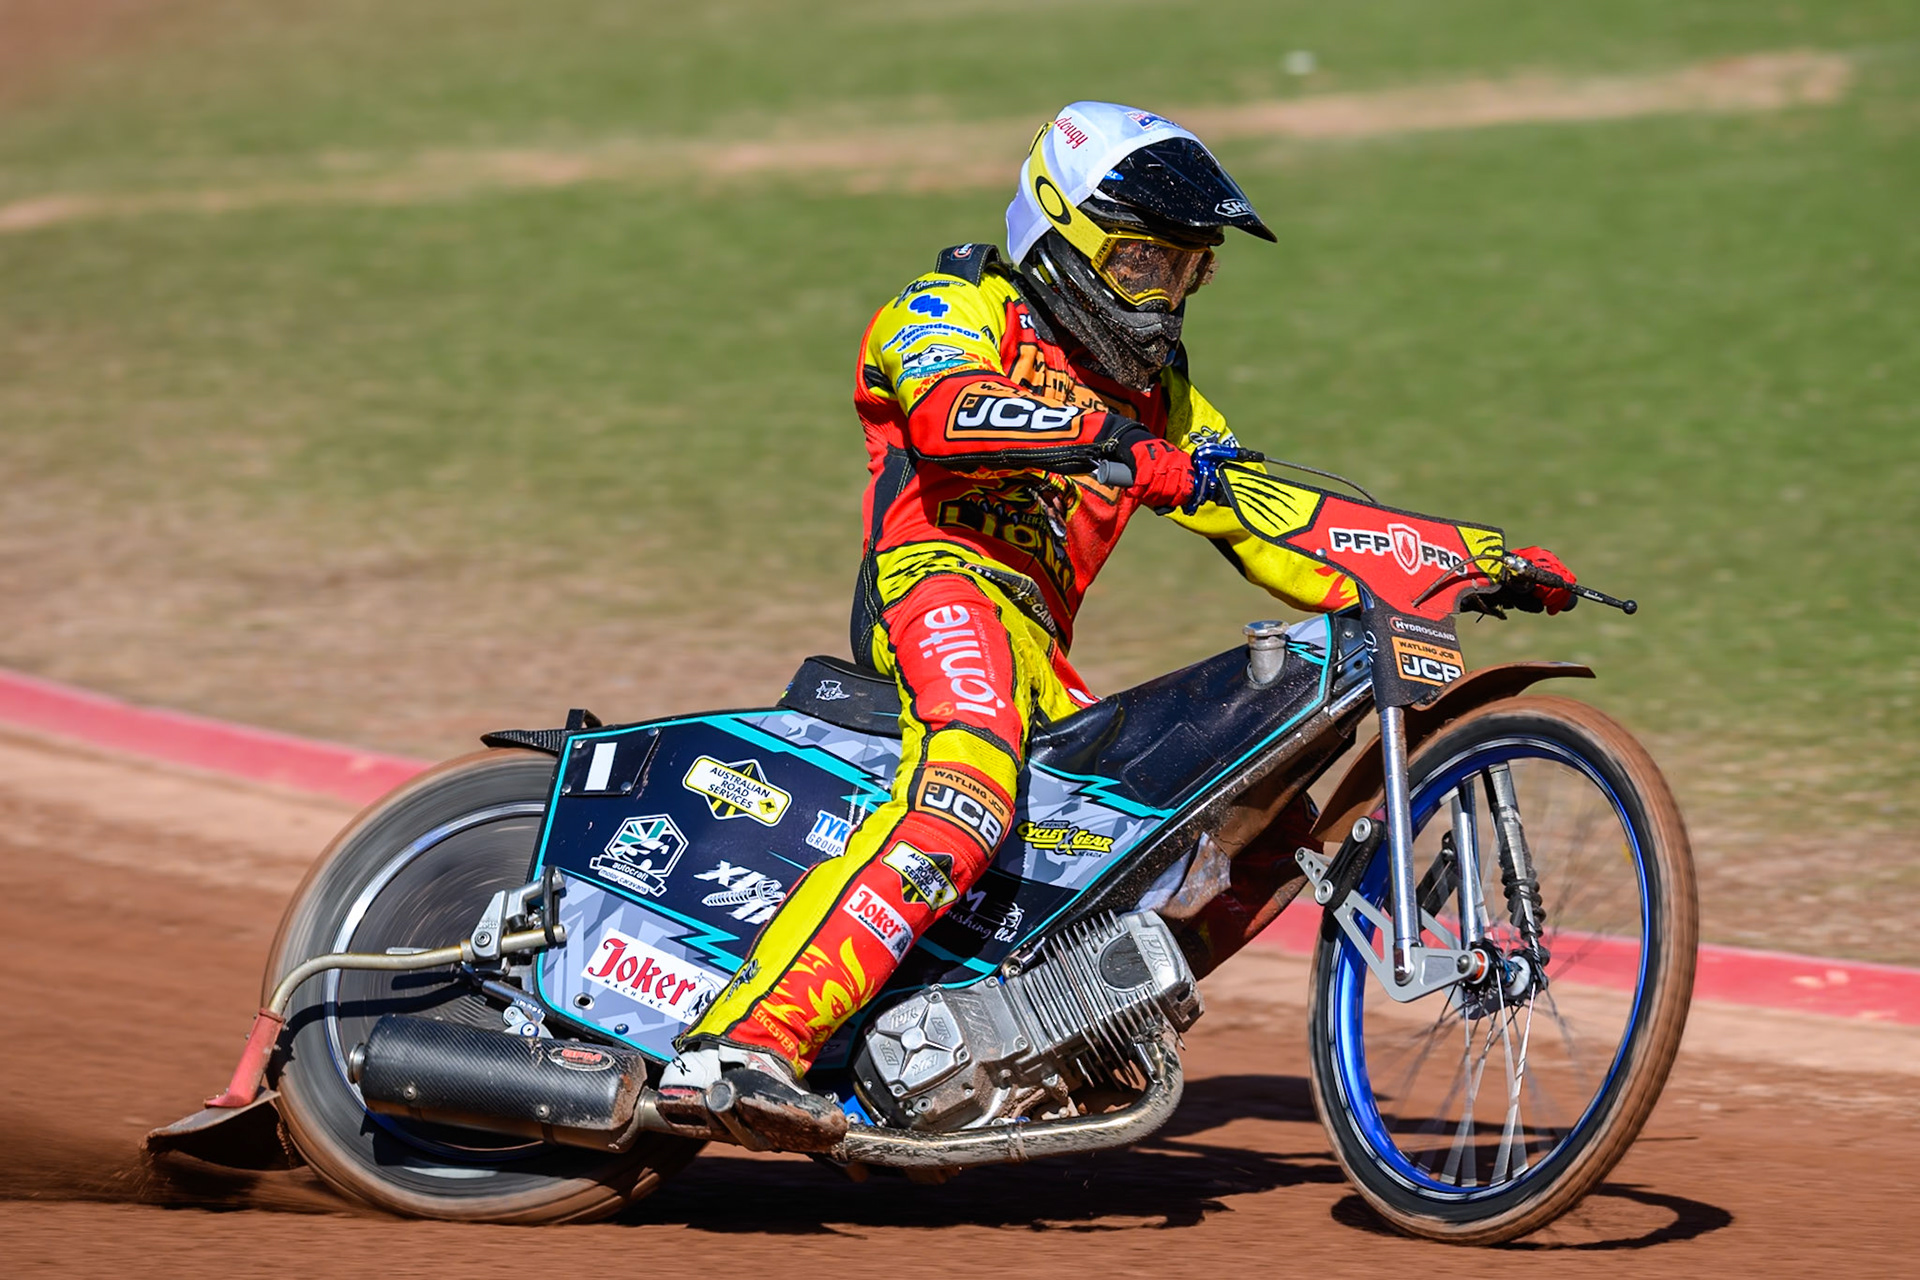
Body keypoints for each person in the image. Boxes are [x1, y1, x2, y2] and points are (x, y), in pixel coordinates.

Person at [660, 102, 1576, 1149]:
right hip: (939, 585)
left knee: (1230, 837)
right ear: (1058, 231)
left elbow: (1281, 517)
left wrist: (1470, 554)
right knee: (968, 790)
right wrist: (1109, 442)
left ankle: (1051, 1035)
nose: (1163, 299)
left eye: (1188, 273)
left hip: (1040, 651)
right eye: (1144, 264)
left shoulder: (1160, 394)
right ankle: (740, 1044)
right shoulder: (951, 306)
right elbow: (948, 412)